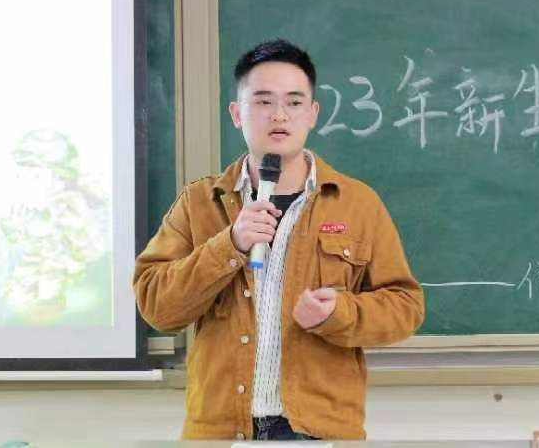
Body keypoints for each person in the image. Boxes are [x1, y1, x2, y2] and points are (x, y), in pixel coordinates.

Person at [134, 39, 424, 440]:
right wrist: (229, 245)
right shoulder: (199, 203)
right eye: (263, 101)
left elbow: (405, 307)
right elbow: (157, 307)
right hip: (222, 430)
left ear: (313, 114)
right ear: (237, 114)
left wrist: (339, 313)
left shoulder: (356, 203)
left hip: (319, 430)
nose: (279, 115)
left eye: (294, 102)